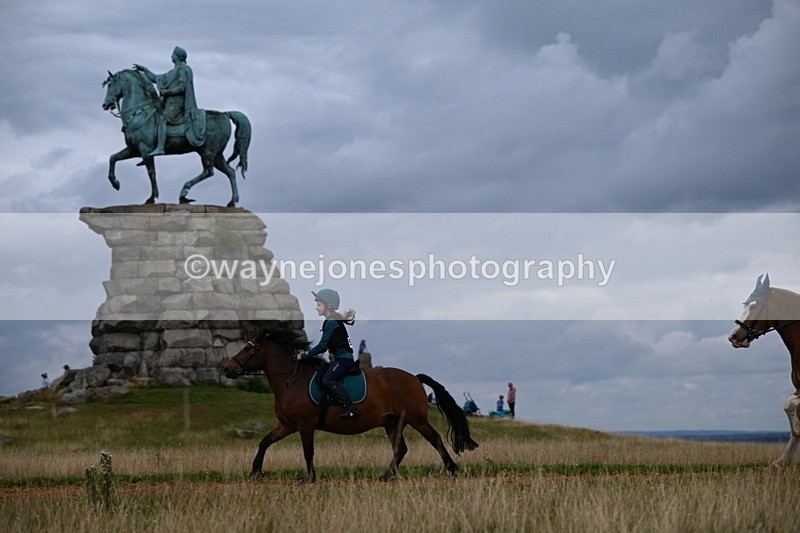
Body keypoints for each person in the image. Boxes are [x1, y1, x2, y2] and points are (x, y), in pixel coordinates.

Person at [296, 289, 360, 420]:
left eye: (319, 304)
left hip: (344, 360)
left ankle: (350, 408)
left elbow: (322, 346)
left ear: (328, 306)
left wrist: (304, 355)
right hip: (341, 359)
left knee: (327, 379)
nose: (316, 308)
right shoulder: (332, 320)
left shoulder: (331, 322)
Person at [133, 46, 205, 157]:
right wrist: (144, 69)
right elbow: (156, 78)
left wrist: (166, 92)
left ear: (178, 56)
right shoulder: (173, 72)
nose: (171, 56)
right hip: (169, 102)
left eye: (173, 54)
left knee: (162, 119)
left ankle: (161, 147)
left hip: (178, 103)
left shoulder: (184, 70)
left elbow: (182, 88)